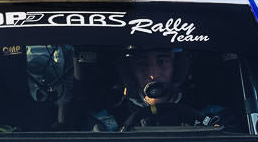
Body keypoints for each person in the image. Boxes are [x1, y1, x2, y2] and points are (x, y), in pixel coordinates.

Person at [89, 47, 222, 131]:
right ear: (130, 71)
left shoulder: (209, 116)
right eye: (142, 64)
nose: (153, 74)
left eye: (162, 62)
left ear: (176, 66)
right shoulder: (107, 121)